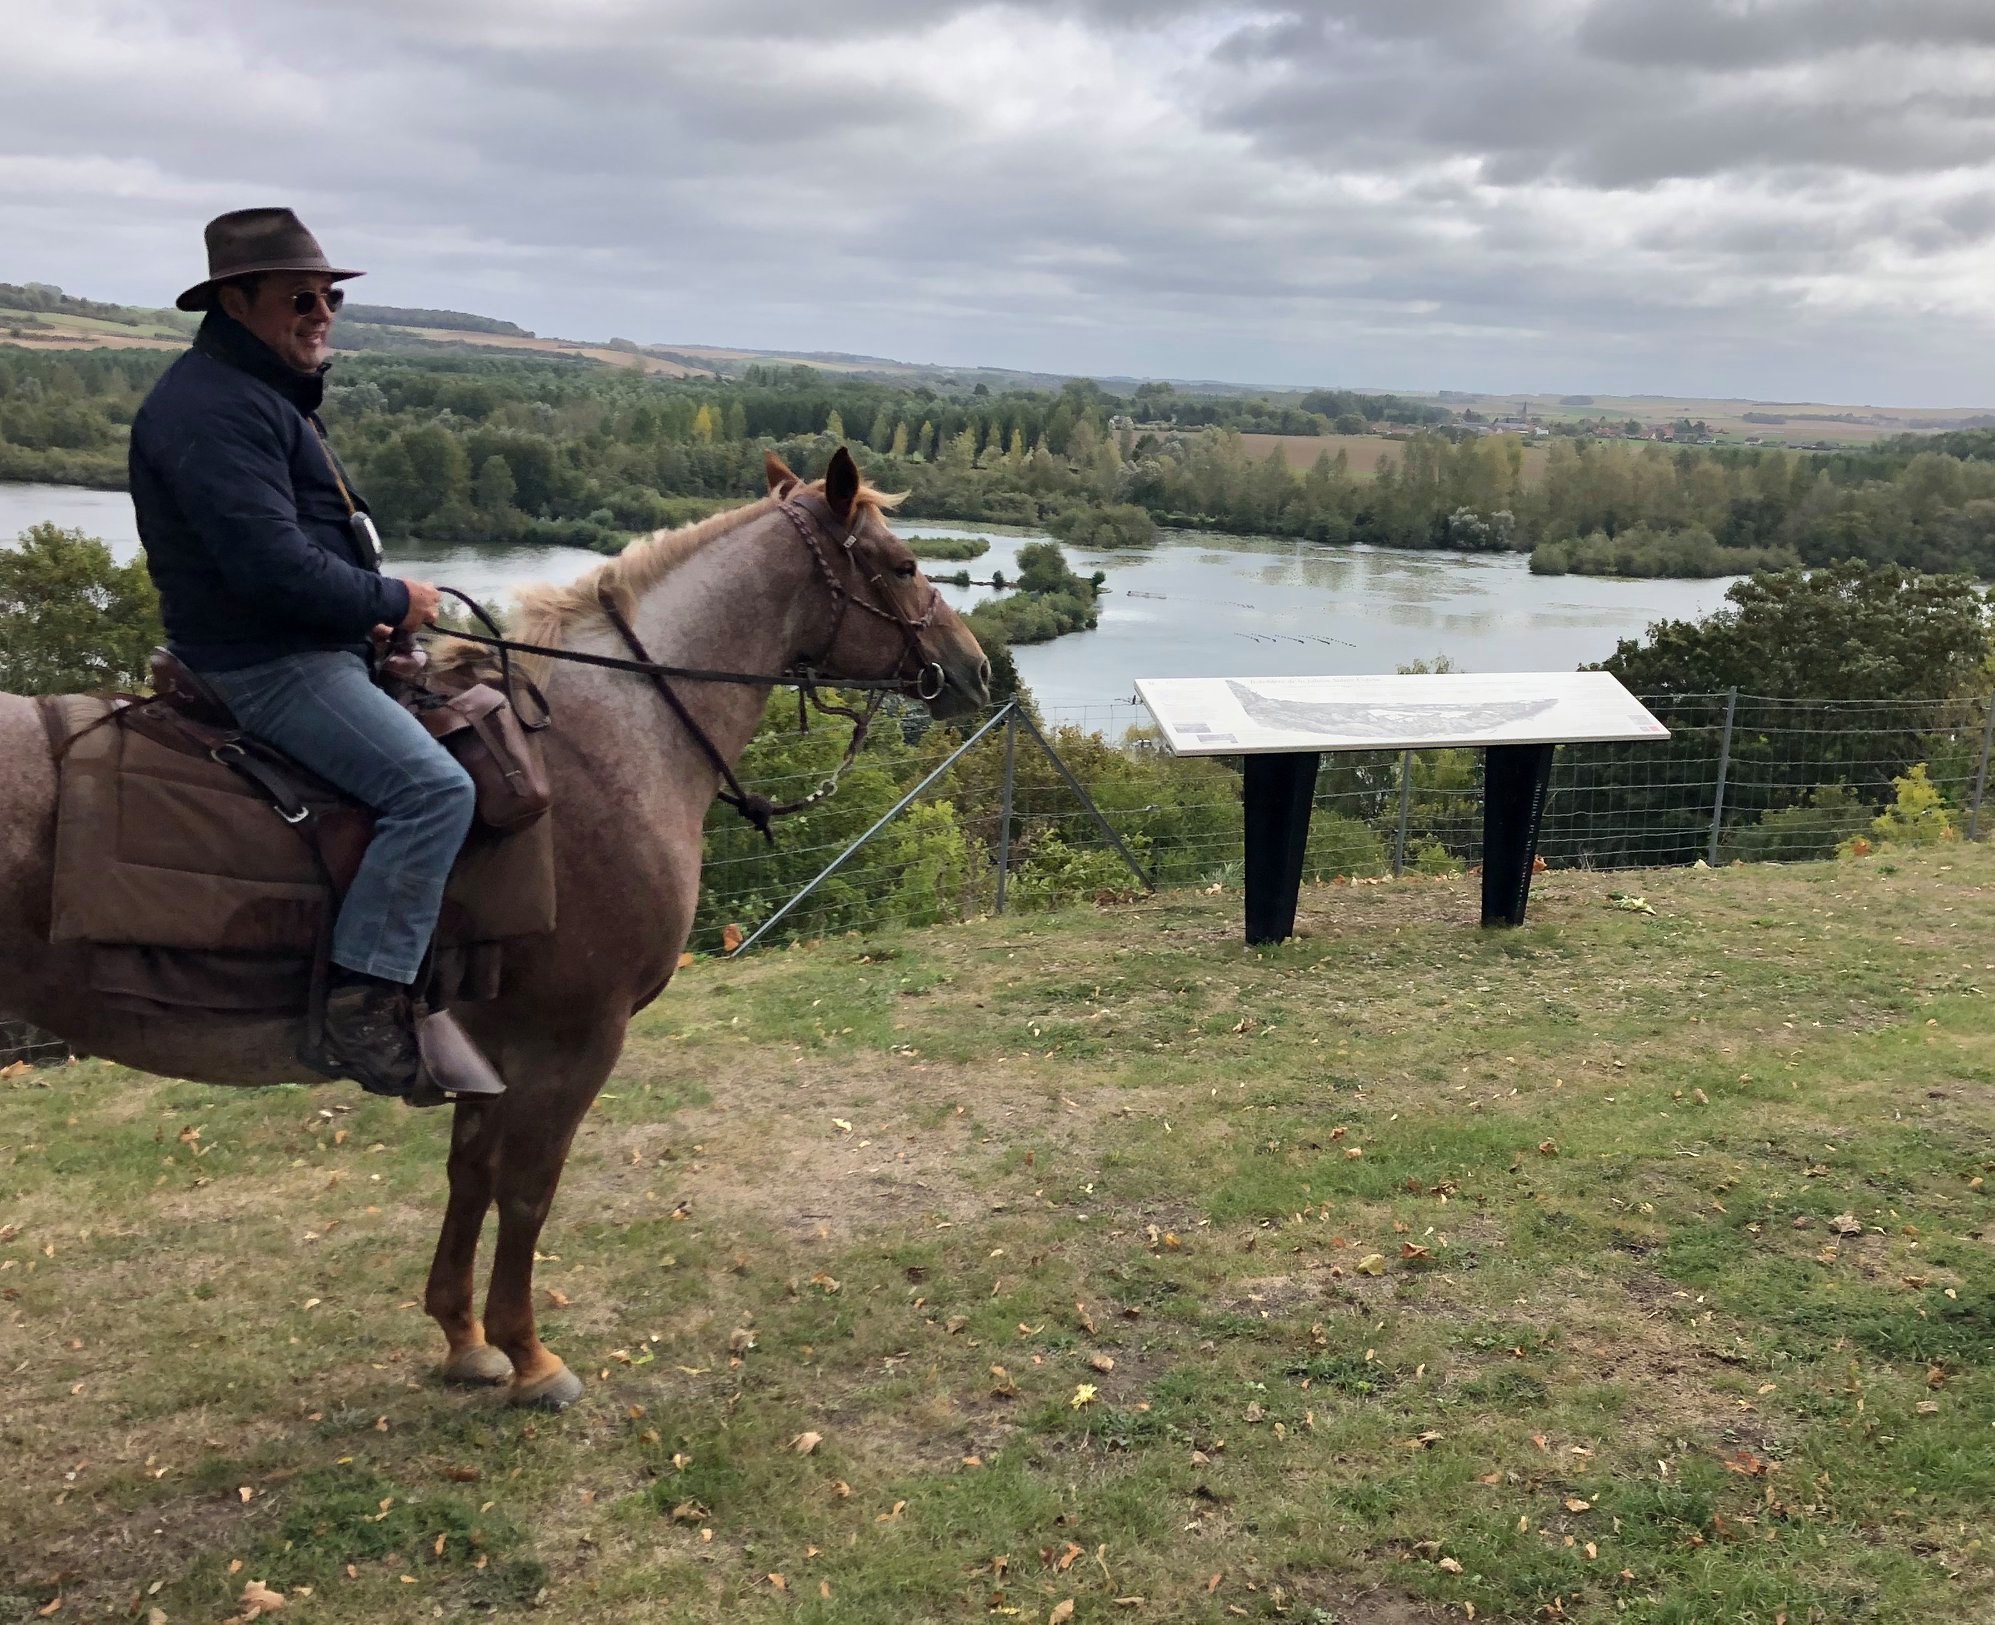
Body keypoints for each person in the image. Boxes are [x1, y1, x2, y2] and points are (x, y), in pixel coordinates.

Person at [128, 207, 490, 1103]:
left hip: (302, 642)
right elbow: (270, 571)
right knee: (434, 789)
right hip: (266, 662)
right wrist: (390, 599)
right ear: (235, 299)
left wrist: (364, 620)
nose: (322, 310)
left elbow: (297, 550)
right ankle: (365, 1003)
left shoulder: (253, 395)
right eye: (300, 295)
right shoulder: (214, 410)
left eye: (329, 295)